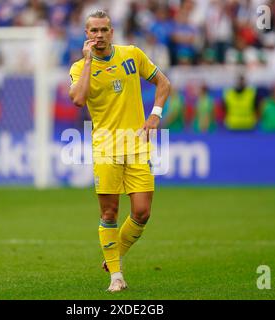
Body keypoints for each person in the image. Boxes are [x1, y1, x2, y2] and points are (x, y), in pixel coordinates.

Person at [69, 10, 171, 292]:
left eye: (104, 30)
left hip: (137, 144)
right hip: (105, 147)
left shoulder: (132, 55)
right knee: (110, 212)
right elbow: (78, 99)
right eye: (93, 31)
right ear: (86, 35)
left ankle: (114, 255)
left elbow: (164, 83)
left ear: (112, 32)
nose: (99, 35)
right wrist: (89, 60)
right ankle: (116, 275)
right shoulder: (79, 68)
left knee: (142, 212)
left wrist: (155, 115)